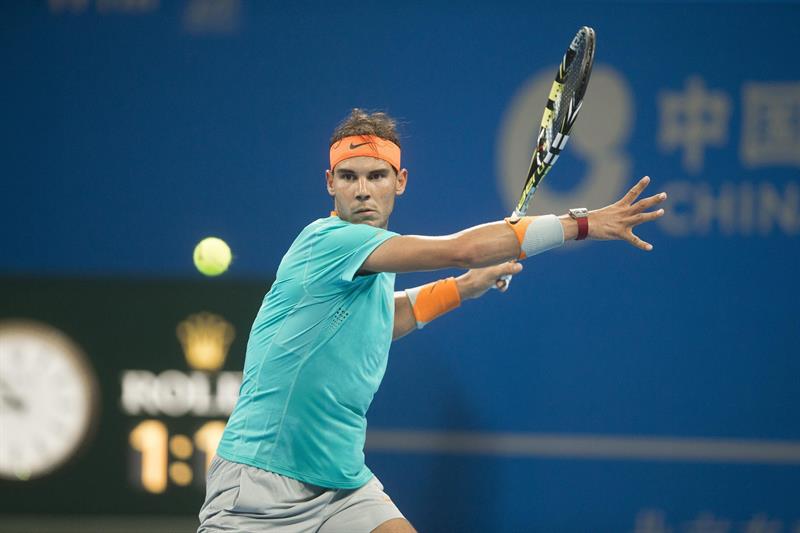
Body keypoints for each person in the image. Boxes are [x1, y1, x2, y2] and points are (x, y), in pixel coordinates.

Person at [198, 109, 667, 533]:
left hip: (340, 483)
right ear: (329, 183)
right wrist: (581, 224)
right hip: (261, 483)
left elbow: (383, 320)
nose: (362, 190)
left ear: (400, 181)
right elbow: (463, 249)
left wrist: (464, 287)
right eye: (348, 177)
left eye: (377, 176)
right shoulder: (328, 241)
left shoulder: (371, 257)